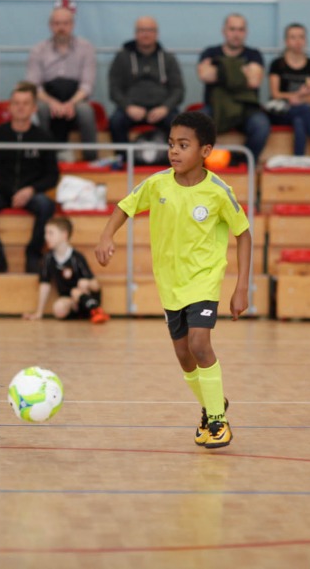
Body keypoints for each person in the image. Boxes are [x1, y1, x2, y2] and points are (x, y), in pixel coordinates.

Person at [95, 111, 251, 449]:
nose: (174, 151)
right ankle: (213, 403)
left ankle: (217, 421)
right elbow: (125, 207)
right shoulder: (157, 183)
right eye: (171, 145)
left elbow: (244, 233)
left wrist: (241, 287)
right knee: (183, 355)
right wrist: (107, 236)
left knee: (199, 344)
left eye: (183, 145)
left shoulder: (218, 191)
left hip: (204, 279)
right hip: (170, 284)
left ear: (205, 151)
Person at [0, 81, 59, 274]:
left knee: (47, 205)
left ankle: (33, 255)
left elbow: (53, 175)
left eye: (26, 103)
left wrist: (31, 190)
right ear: (9, 107)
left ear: (34, 108)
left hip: (31, 193)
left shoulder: (43, 137)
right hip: (1, 191)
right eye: (16, 103)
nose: (20, 107)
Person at [197, 13, 271, 165]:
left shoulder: (254, 54)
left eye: (240, 29)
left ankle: (243, 162)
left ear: (246, 32)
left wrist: (220, 69)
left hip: (246, 109)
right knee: (196, 123)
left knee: (261, 125)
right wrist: (241, 71)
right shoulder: (210, 52)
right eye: (232, 29)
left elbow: (254, 81)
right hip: (215, 108)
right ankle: (200, 165)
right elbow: (205, 75)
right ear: (224, 31)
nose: (236, 34)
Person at [25, 7, 98, 161]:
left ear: (72, 25)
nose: (61, 28)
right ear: (50, 26)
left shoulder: (86, 48)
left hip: (76, 98)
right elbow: (34, 85)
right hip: (47, 97)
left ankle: (91, 159)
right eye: (57, 23)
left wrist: (71, 103)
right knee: (40, 110)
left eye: (65, 23)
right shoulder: (38, 50)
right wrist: (53, 103)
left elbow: (87, 85)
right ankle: (43, 158)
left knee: (86, 111)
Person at [107, 16, 184, 156]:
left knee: (178, 125)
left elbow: (178, 90)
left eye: (150, 30)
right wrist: (128, 107)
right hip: (130, 108)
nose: (146, 34)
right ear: (135, 33)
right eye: (142, 30)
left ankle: (174, 160)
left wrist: (165, 108)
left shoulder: (168, 58)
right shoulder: (122, 57)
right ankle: (123, 160)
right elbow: (114, 89)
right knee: (115, 122)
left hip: (162, 109)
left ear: (156, 33)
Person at [24, 216, 110, 324]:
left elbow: (96, 286)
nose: (46, 237)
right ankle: (83, 316)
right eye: (46, 233)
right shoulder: (47, 259)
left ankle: (95, 310)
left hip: (86, 296)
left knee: (76, 291)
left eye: (50, 233)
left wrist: (87, 283)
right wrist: (39, 312)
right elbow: (44, 284)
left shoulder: (76, 258)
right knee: (58, 309)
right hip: (71, 301)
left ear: (64, 235)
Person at [266, 23, 310, 162]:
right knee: (303, 111)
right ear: (286, 41)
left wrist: (299, 100)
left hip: (301, 109)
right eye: (293, 37)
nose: (297, 41)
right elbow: (275, 94)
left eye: (301, 37)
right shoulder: (277, 64)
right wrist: (298, 95)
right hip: (280, 110)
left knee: (299, 119)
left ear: (306, 40)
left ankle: (298, 159)